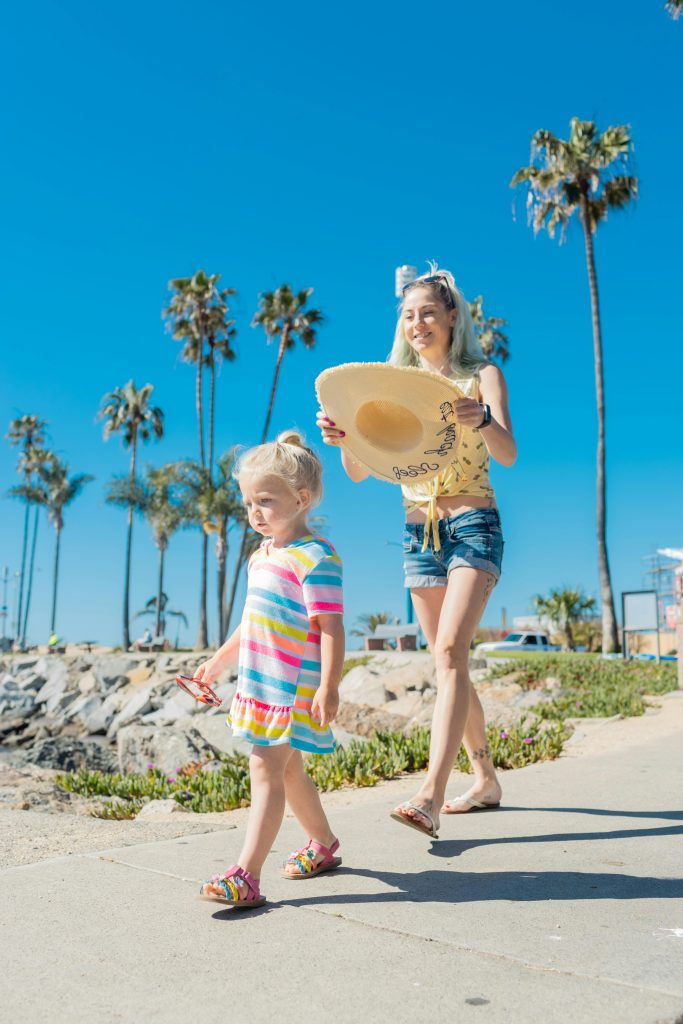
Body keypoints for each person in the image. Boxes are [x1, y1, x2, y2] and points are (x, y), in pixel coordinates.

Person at [317, 266, 517, 839]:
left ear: (453, 316)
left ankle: (429, 796)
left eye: (428, 312)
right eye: (408, 315)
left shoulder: (482, 375)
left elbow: (507, 453)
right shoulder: (391, 385)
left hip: (473, 522)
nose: (417, 322)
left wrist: (481, 419)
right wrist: (344, 438)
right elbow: (361, 472)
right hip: (417, 532)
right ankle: (485, 779)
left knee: (452, 649)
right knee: (445, 660)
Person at [194, 431, 345, 907]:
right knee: (288, 771)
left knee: (265, 769)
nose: (253, 511)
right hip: (261, 681)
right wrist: (218, 661)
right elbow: (252, 623)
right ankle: (323, 844)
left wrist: (329, 687)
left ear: (301, 499)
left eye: (265, 500)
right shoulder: (262, 557)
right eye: (247, 502)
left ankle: (247, 875)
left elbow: (330, 628)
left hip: (291, 687)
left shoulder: (316, 557)